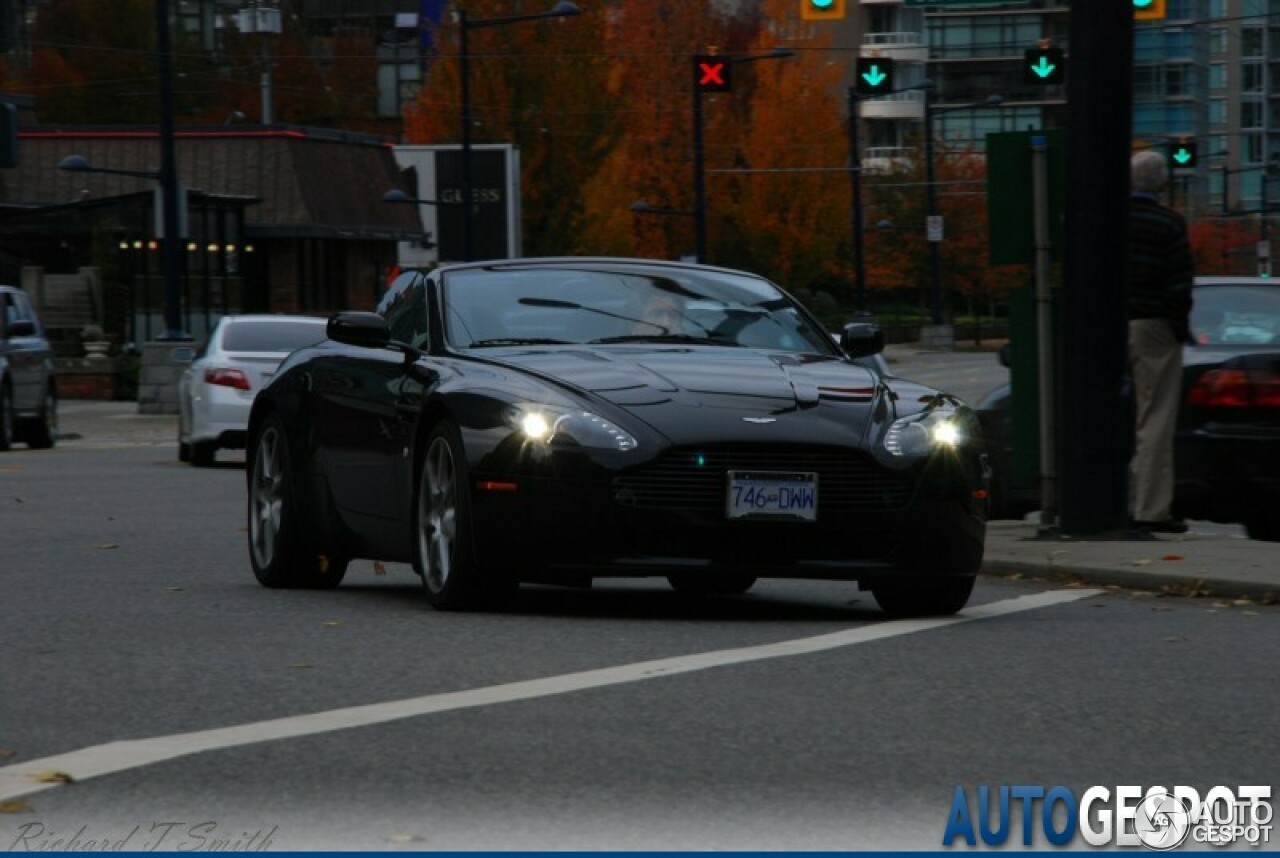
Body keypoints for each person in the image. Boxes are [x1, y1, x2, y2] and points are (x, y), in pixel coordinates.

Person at [1127, 149, 1194, 534]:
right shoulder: (1169, 224)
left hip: (1104, 326)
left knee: (1114, 417)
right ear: (1162, 183)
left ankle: (1110, 498)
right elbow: (1179, 284)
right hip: (1153, 325)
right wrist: (1179, 328)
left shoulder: (1108, 219)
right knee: (1155, 418)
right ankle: (1150, 508)